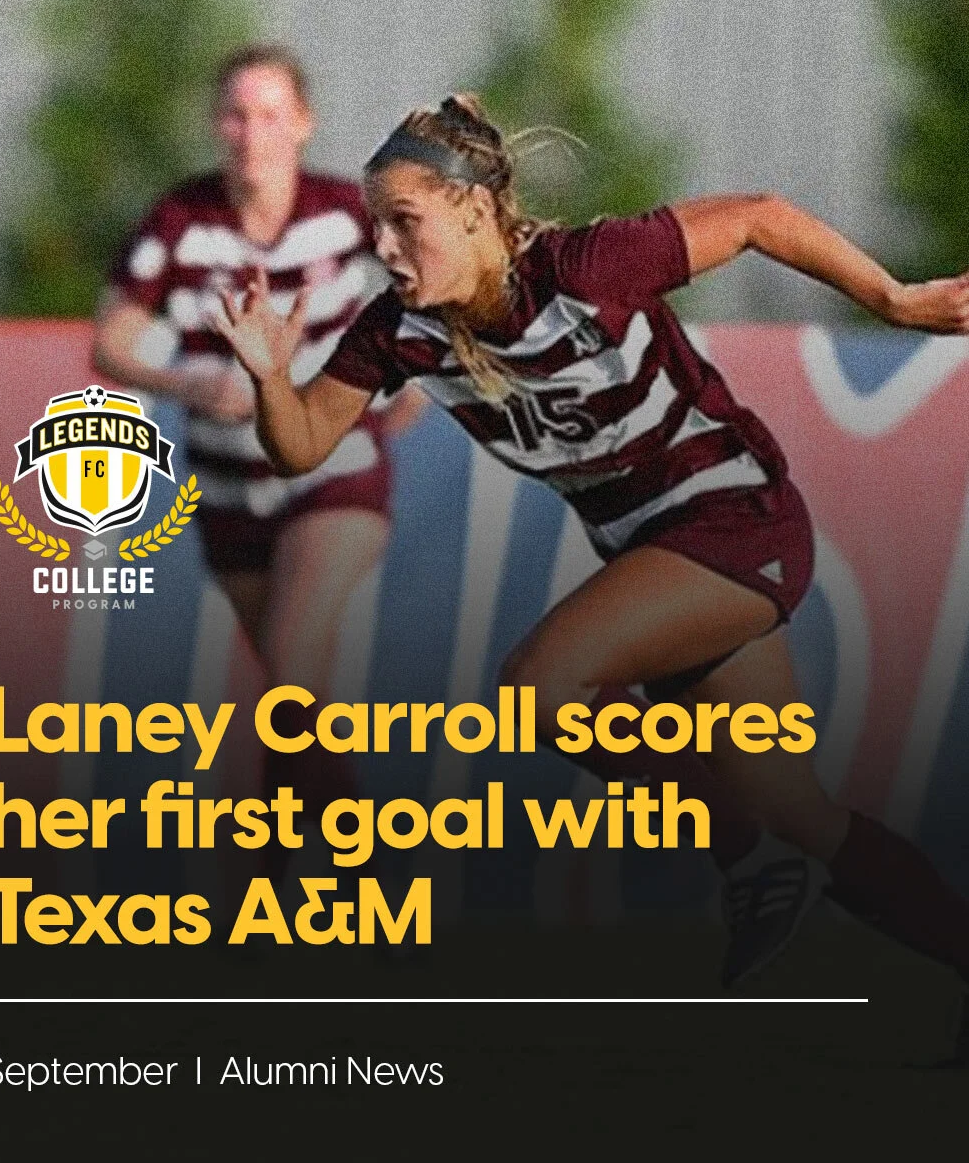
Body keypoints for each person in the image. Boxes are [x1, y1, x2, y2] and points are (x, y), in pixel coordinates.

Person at [210, 91, 969, 1006]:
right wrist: (266, 375)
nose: (384, 248)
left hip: (735, 523)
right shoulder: (402, 331)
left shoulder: (586, 267)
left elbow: (761, 217)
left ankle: (738, 845)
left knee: (536, 696)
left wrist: (892, 296)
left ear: (475, 209)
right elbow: (298, 443)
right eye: (377, 227)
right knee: (802, 817)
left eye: (404, 222)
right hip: (664, 555)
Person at [93, 44, 420, 859]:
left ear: (303, 125)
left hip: (331, 474)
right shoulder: (180, 222)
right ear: (216, 126)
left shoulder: (348, 213)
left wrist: (408, 377)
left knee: (296, 662)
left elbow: (432, 287)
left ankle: (286, 877)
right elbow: (112, 345)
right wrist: (190, 383)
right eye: (236, 115)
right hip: (229, 490)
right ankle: (352, 880)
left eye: (270, 114)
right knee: (292, 692)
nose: (251, 134)